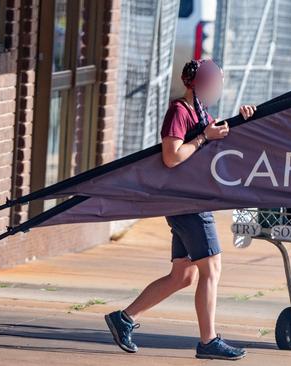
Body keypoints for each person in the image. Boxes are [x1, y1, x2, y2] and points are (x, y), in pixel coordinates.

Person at [104, 59, 256, 360]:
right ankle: (208, 341)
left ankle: (124, 318)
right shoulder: (180, 111)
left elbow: (214, 140)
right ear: (198, 84)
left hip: (192, 200)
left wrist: (243, 120)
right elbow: (171, 157)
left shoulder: (200, 112)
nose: (218, 88)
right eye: (215, 82)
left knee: (183, 276)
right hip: (187, 204)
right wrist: (203, 138)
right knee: (211, 269)